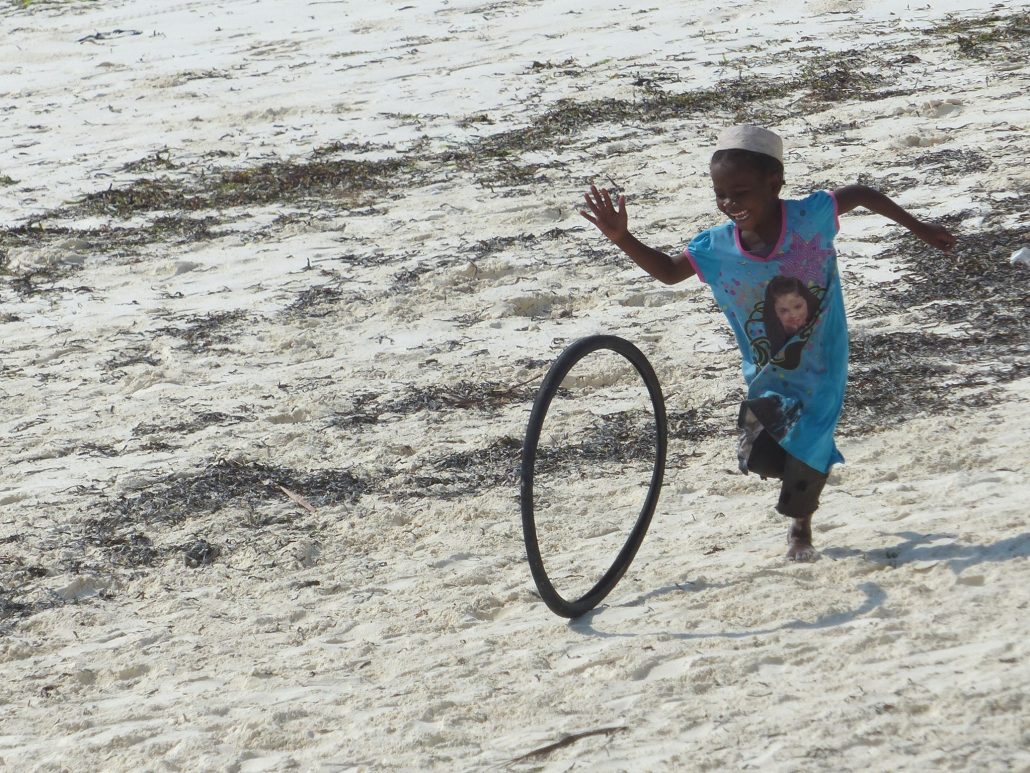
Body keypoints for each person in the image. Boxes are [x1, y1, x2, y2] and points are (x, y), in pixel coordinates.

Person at [580, 125, 956, 561]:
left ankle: (801, 529)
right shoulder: (716, 248)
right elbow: (667, 271)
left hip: (824, 365)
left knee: (810, 443)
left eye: (740, 192)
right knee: (761, 457)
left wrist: (919, 227)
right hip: (767, 372)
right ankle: (800, 479)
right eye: (720, 194)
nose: (729, 203)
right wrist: (622, 238)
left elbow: (860, 194)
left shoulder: (810, 218)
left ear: (774, 184)